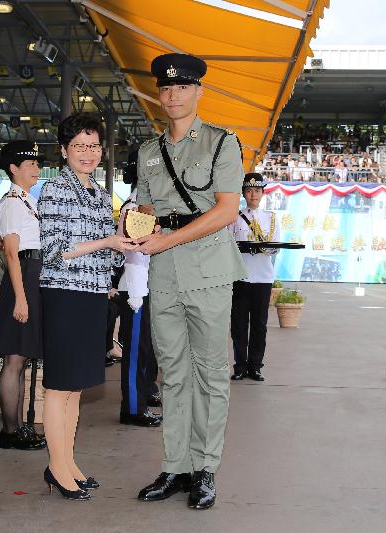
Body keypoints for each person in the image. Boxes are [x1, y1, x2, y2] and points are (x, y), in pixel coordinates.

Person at [133, 53, 247, 510]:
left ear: (199, 91)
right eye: (165, 89)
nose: (172, 95)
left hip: (209, 271)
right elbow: (144, 209)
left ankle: (206, 469)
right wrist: (133, 226)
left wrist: (167, 239)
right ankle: (175, 466)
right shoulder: (147, 152)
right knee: (174, 374)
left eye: (182, 87)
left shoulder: (222, 143)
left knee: (212, 374)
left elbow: (225, 210)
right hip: (163, 274)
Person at [38, 112, 134, 499]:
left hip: (93, 295)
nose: (88, 152)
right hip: (64, 295)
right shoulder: (53, 190)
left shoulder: (98, 192)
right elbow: (53, 251)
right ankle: (56, 467)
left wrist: (124, 237)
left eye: (94, 145)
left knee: (75, 388)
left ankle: (69, 462)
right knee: (59, 387)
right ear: (64, 151)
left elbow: (109, 259)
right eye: (79, 145)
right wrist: (107, 242)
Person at [0, 140, 46, 451]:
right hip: (22, 278)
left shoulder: (27, 200)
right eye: (31, 165)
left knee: (21, 358)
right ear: (14, 168)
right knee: (14, 359)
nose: (36, 169)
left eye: (37, 164)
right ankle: (10, 431)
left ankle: (17, 428)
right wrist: (22, 298)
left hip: (31, 276)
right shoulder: (13, 203)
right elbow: (13, 254)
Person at [117, 148, 162, 427]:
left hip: (146, 286)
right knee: (135, 353)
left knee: (146, 349)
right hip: (135, 287)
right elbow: (138, 250)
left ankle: (144, 396)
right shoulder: (133, 209)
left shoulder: (146, 208)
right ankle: (133, 408)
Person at [228, 174, 280, 382]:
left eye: (257, 190)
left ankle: (256, 366)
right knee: (239, 325)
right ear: (244, 193)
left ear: (262, 193)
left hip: (263, 278)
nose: (253, 194)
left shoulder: (271, 217)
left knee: (260, 325)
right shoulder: (235, 217)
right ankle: (240, 366)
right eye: (249, 191)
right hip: (241, 277)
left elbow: (276, 247)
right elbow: (229, 245)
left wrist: (264, 249)